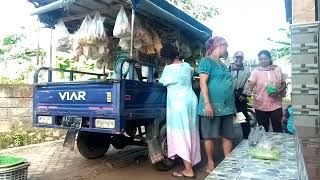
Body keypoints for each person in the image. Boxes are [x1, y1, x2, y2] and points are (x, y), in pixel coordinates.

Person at [159, 44, 200, 178]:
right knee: (191, 132)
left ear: (167, 57)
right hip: (191, 101)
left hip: (178, 104)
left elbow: (162, 82)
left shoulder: (168, 69)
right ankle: (190, 164)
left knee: (180, 134)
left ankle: (188, 170)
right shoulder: (188, 67)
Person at [198, 36, 236, 173]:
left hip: (227, 106)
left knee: (228, 134)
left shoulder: (222, 64)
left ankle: (228, 159)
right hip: (211, 106)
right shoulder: (206, 61)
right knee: (210, 136)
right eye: (226, 47)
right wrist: (207, 104)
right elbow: (203, 83)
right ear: (220, 45)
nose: (227, 50)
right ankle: (210, 162)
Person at [243, 50, 286, 132]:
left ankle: (277, 144)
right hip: (260, 105)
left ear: (270, 58)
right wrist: (248, 92)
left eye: (265, 58)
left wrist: (278, 91)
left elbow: (283, 84)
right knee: (263, 129)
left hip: (275, 104)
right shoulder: (255, 72)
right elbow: (250, 84)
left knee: (278, 128)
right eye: (261, 59)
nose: (263, 61)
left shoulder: (277, 69)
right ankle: (263, 145)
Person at [230, 51, 251, 139]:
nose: (238, 59)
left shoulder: (246, 69)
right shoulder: (228, 67)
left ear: (243, 59)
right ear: (233, 57)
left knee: (242, 117)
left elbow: (248, 82)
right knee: (228, 117)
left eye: (240, 57)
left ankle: (246, 138)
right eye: (237, 57)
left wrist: (244, 94)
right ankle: (228, 138)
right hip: (229, 95)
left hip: (240, 96)